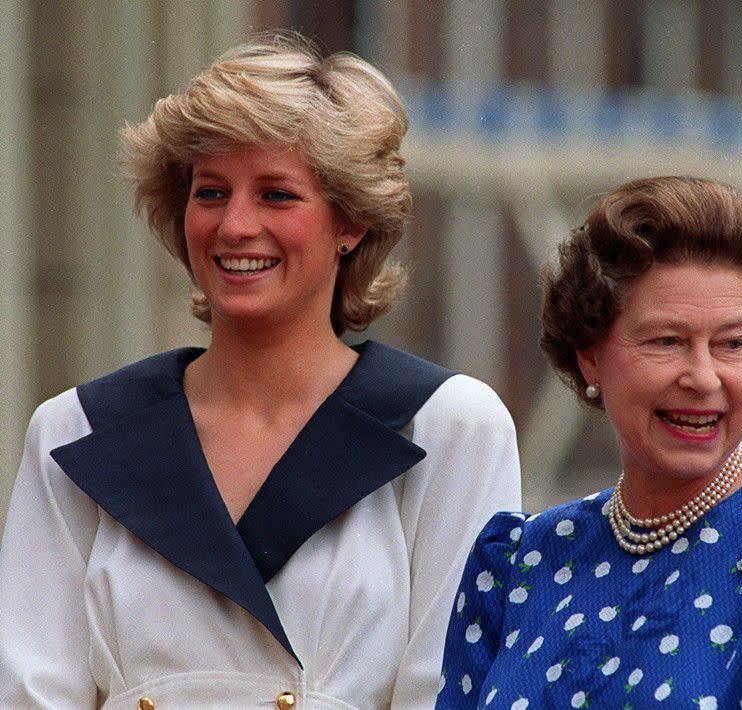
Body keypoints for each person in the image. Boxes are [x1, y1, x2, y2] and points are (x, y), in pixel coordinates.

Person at [0, 34, 521, 709]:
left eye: (277, 195)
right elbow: (29, 693)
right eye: (211, 192)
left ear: (352, 222)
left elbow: (453, 694)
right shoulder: (72, 431)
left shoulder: (452, 428)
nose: (235, 225)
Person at [437, 176, 742, 709]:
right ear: (590, 355)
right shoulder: (520, 565)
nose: (703, 378)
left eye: (730, 343)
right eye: (668, 341)